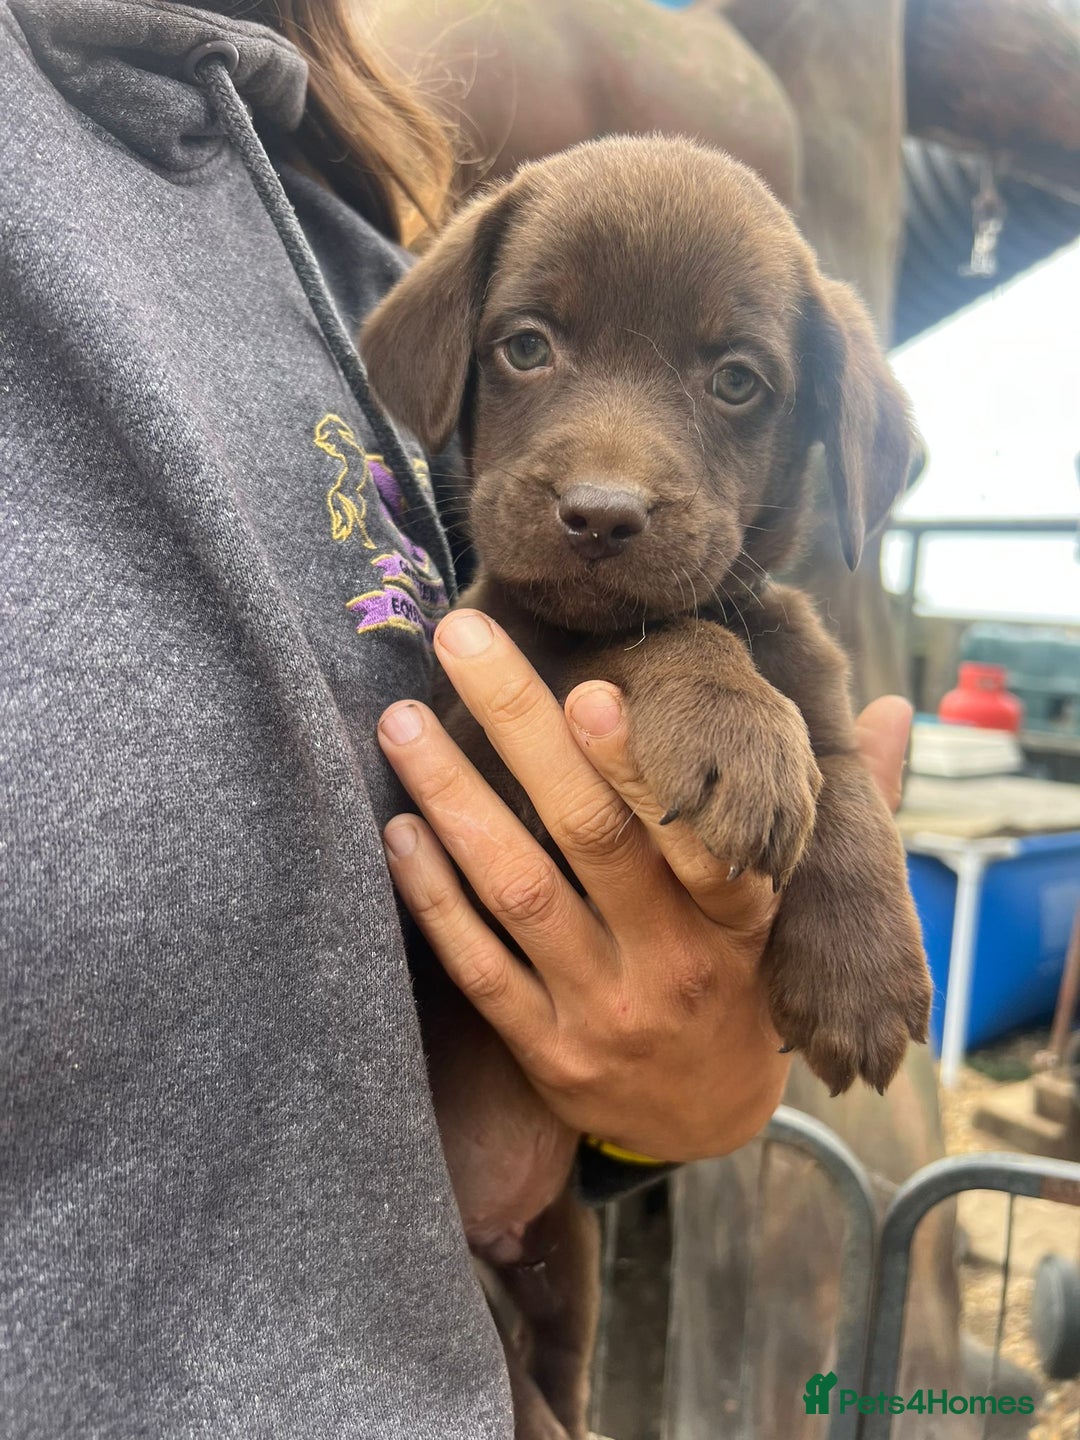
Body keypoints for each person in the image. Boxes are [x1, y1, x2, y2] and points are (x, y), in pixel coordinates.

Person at [0, 1, 914, 1434]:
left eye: (733, 382)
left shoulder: (328, 207)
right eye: (536, 348)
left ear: (826, 441)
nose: (608, 474)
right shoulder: (484, 582)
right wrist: (682, 677)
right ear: (456, 359)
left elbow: (672, 1007)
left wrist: (664, 1093)